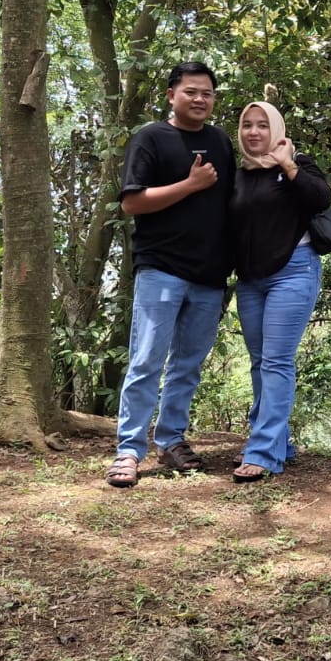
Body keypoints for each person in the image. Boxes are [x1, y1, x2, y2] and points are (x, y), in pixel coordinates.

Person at [106, 61, 236, 489]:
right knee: (146, 359)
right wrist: (190, 184)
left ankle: (172, 439)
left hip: (210, 274)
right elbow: (132, 203)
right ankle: (128, 449)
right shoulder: (150, 138)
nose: (200, 100)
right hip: (161, 268)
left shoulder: (219, 141)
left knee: (188, 365)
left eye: (208, 94)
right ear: (171, 95)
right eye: (191, 92)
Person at [229, 100, 331, 482]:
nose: (254, 132)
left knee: (276, 361)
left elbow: (321, 198)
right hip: (251, 280)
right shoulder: (237, 174)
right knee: (259, 362)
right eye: (246, 126)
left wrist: (287, 164)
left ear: (276, 129)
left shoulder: (299, 165)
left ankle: (263, 452)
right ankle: (279, 442)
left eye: (261, 125)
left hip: (294, 271)